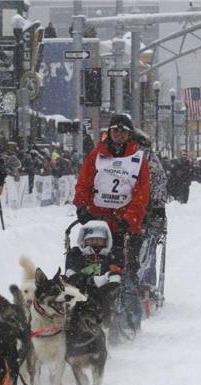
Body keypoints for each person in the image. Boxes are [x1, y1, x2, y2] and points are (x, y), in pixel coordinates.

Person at [73, 113, 151, 275]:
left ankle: (130, 291)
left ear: (129, 134)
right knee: (86, 258)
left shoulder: (138, 158)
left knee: (127, 264)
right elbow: (84, 182)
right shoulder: (97, 155)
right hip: (98, 220)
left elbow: (141, 194)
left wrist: (129, 219)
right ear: (109, 132)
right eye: (116, 130)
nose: (119, 134)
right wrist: (81, 205)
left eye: (123, 131)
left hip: (124, 223)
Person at [65, 221, 122, 290]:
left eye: (98, 239)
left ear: (105, 241)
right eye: (91, 239)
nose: (94, 242)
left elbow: (117, 275)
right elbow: (70, 274)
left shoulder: (112, 255)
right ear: (84, 240)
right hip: (80, 292)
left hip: (106, 293)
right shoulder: (76, 253)